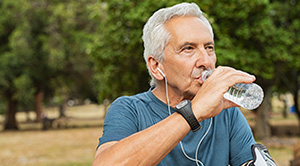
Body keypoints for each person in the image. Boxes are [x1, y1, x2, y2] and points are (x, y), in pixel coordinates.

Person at [93, 2, 276, 166]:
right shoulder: (130, 110)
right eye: (188, 48)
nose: (205, 60)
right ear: (156, 66)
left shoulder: (226, 114)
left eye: (209, 48)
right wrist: (193, 112)